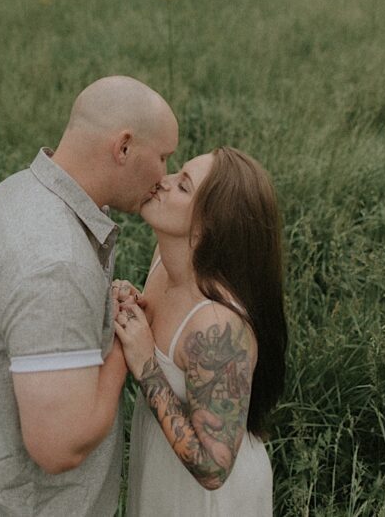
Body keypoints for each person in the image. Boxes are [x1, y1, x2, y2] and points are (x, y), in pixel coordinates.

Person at [0, 76, 179, 516]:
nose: (165, 176)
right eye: (163, 156)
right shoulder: (56, 264)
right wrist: (119, 344)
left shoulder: (17, 193)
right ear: (124, 147)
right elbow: (60, 447)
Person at [111, 147, 287, 516]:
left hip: (208, 502)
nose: (163, 181)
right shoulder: (164, 260)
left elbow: (213, 468)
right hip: (161, 469)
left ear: (209, 225)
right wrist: (137, 309)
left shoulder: (217, 327)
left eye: (183, 186)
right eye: (178, 173)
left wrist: (146, 365)